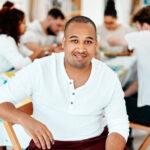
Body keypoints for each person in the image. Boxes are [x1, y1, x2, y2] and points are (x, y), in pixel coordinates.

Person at [0, 16, 129, 150]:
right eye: (74, 41)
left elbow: (119, 124)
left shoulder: (108, 76)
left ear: (96, 45)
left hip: (95, 143)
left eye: (88, 42)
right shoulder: (40, 68)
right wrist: (24, 119)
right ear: (64, 43)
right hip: (48, 144)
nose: (81, 48)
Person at [124, 6, 150, 126]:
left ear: (145, 26)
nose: (137, 31)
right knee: (126, 94)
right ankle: (127, 142)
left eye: (137, 27)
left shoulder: (146, 36)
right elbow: (140, 82)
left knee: (109, 105)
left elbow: (112, 39)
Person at [0, 8, 44, 73]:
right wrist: (38, 51)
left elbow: (29, 54)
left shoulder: (14, 40)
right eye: (23, 23)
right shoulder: (6, 40)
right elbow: (20, 64)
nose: (26, 26)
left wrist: (45, 52)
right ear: (15, 24)